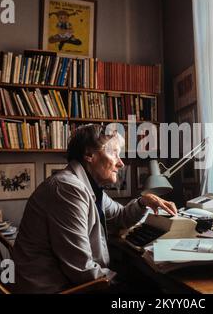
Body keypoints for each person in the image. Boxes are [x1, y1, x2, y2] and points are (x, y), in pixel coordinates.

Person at [12, 124, 177, 293]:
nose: (120, 163)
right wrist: (120, 281)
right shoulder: (67, 189)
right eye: (114, 153)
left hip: (69, 281)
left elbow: (120, 217)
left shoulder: (87, 187)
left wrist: (143, 202)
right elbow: (81, 269)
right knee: (155, 290)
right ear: (89, 154)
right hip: (54, 289)